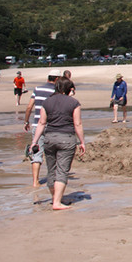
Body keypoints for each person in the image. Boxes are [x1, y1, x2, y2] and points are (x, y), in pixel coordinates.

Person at [28, 77, 86, 209]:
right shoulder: (74, 103)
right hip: (67, 137)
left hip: (49, 138)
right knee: (62, 170)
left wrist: (34, 141)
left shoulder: (47, 102)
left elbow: (41, 123)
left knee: (51, 170)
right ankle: (57, 202)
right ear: (69, 89)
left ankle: (55, 198)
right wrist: (82, 141)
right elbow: (77, 123)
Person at [24, 69, 60, 187]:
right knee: (52, 153)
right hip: (51, 125)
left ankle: (35, 181)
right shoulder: (56, 91)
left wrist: (26, 121)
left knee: (36, 154)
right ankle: (53, 179)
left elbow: (29, 107)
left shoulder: (37, 89)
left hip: (37, 124)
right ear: (56, 79)